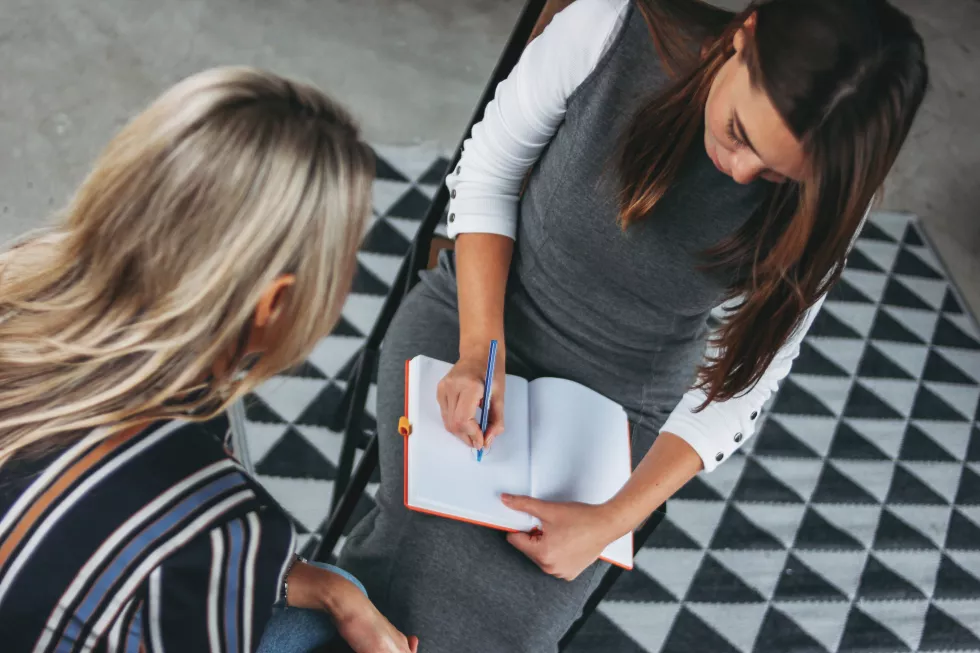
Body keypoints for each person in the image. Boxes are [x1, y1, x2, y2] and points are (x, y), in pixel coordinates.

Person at [338, 0, 928, 650]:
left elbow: (749, 377)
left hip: (627, 405)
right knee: (407, 571)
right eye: (740, 133)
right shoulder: (609, 29)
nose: (742, 172)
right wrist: (481, 348)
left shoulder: (830, 194)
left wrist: (611, 519)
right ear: (746, 34)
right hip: (479, 315)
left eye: (776, 174)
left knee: (512, 623)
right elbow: (487, 175)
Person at [0, 67, 419, 653]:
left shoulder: (19, 280)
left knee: (334, 588)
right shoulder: (218, 523)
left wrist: (330, 590)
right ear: (273, 303)